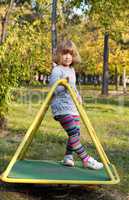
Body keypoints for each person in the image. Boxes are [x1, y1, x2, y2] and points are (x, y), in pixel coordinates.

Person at [49, 40, 103, 170]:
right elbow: (54, 89)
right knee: (73, 132)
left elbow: (73, 87)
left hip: (72, 107)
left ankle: (68, 156)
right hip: (61, 108)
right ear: (59, 55)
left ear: (74, 56)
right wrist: (64, 85)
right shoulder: (57, 70)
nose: (68, 57)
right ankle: (86, 159)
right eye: (64, 54)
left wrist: (77, 95)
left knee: (75, 134)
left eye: (70, 54)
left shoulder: (72, 70)